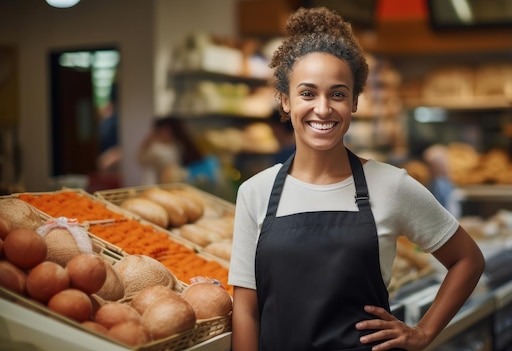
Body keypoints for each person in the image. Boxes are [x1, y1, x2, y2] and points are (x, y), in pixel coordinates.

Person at [228, 7, 485, 351]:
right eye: (307, 93)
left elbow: (468, 260)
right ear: (285, 101)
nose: (323, 108)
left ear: (354, 103)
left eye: (337, 94)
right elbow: (246, 311)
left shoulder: (391, 185)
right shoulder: (255, 192)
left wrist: (422, 332)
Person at [137, 116, 204, 184]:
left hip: (178, 182)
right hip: (163, 183)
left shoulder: (178, 145)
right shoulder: (156, 149)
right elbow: (142, 160)